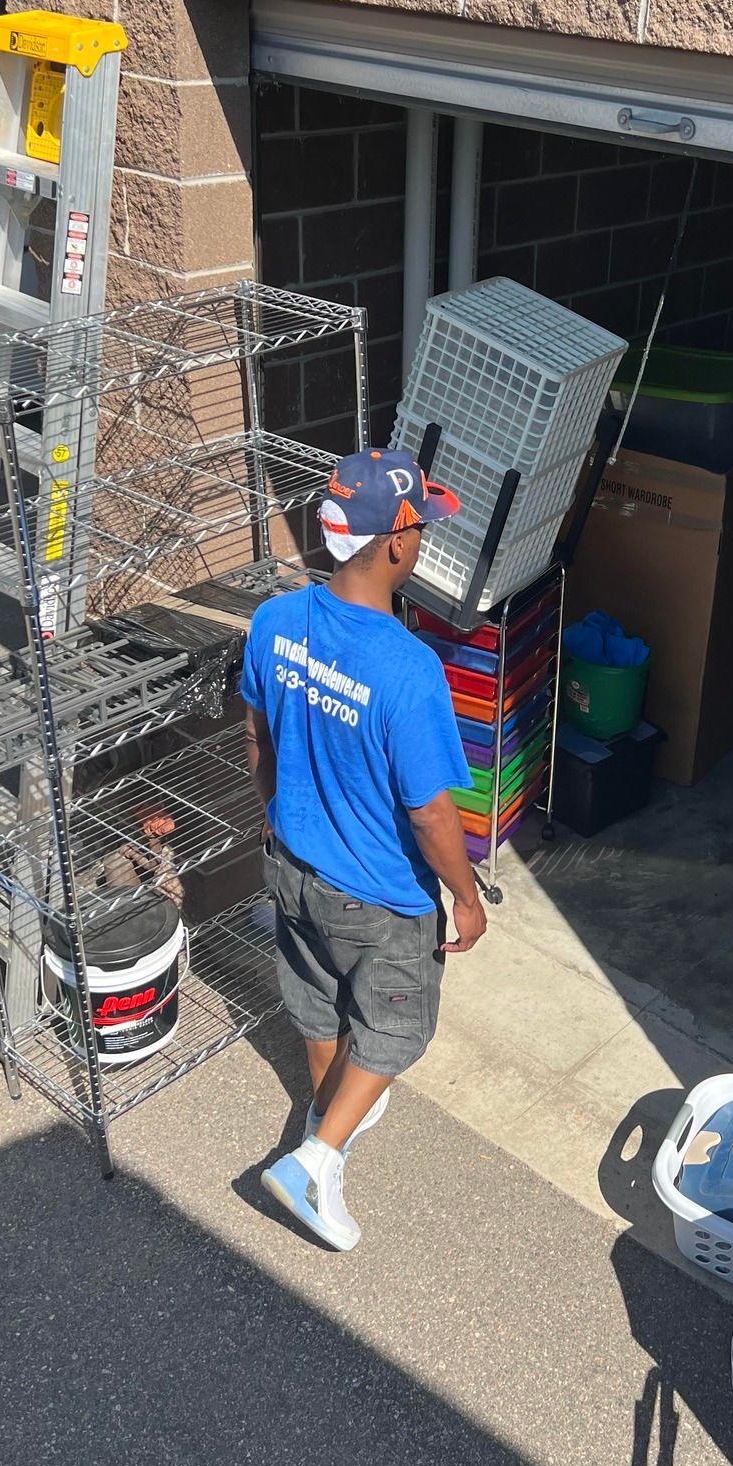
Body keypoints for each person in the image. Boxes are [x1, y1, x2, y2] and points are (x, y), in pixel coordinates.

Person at [243, 447, 486, 1251]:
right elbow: (429, 816)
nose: (422, 539)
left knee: (318, 999)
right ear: (394, 545)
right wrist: (467, 894)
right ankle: (315, 1161)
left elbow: (260, 735)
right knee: (395, 1027)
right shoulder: (409, 671)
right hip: (379, 896)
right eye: (420, 525)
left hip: (293, 867)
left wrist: (277, 812)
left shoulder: (276, 621)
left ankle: (328, 1110)